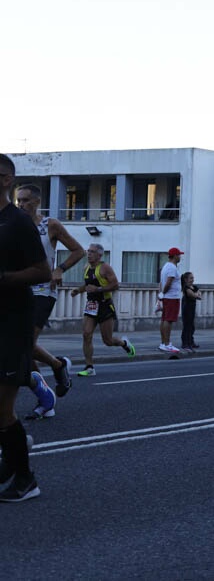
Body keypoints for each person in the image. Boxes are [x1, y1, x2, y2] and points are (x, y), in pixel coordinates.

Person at [0, 154, 52, 501]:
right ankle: (11, 466)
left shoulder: (18, 222)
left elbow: (43, 271)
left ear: (5, 179)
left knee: (2, 409)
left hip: (11, 324)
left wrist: (5, 279)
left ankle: (26, 479)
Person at [15, 184, 83, 404]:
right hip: (19, 290)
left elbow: (78, 250)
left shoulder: (50, 225)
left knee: (24, 344)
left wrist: (59, 269)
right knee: (20, 348)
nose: (21, 204)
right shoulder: (14, 224)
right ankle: (56, 368)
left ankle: (48, 391)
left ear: (37, 202)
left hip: (44, 289)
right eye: (18, 201)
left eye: (25, 200)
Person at [70, 244, 136, 376]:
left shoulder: (105, 268)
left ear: (99, 255)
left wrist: (98, 289)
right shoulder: (86, 267)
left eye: (92, 252)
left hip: (105, 305)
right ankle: (89, 367)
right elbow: (88, 284)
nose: (89, 254)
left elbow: (115, 285)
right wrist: (79, 290)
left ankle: (124, 343)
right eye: (88, 251)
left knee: (108, 340)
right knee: (86, 334)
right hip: (91, 305)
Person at [158, 247, 184, 353]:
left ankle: (163, 343)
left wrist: (161, 294)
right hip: (172, 297)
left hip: (167, 297)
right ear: (174, 256)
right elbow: (168, 282)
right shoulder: (172, 268)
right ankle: (167, 344)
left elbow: (161, 282)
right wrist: (164, 292)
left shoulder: (165, 266)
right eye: (179, 255)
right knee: (168, 320)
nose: (180, 257)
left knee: (164, 319)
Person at [180, 272, 202, 351]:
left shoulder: (194, 287)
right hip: (186, 309)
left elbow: (199, 294)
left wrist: (196, 295)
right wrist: (196, 295)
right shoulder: (185, 288)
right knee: (187, 326)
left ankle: (191, 342)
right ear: (186, 279)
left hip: (192, 309)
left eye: (193, 278)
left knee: (192, 326)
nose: (193, 280)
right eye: (191, 278)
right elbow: (193, 295)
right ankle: (185, 343)